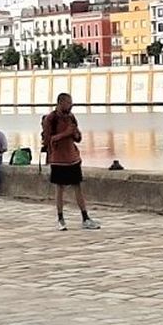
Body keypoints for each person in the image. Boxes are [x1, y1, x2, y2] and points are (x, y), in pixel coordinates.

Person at [43, 92, 98, 231]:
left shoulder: (71, 117)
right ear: (60, 103)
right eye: (68, 103)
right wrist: (66, 133)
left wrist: (75, 134)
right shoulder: (51, 119)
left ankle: (85, 217)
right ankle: (60, 218)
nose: (71, 105)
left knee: (78, 187)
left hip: (72, 158)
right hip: (58, 160)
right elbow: (49, 140)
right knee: (59, 189)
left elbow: (78, 138)